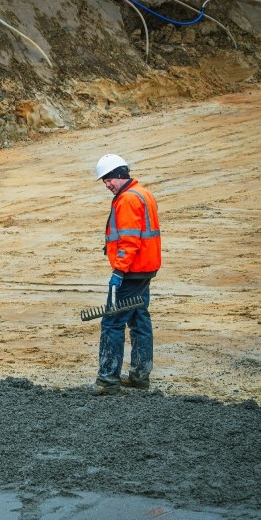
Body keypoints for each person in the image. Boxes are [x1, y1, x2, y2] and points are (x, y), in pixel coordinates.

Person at [88, 154, 161, 395]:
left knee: (112, 322)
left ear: (120, 174)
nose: (107, 184)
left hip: (131, 271)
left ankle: (108, 380)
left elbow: (130, 240)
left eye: (108, 179)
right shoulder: (142, 192)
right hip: (144, 270)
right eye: (104, 181)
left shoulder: (128, 199)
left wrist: (119, 269)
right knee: (139, 321)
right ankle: (140, 376)